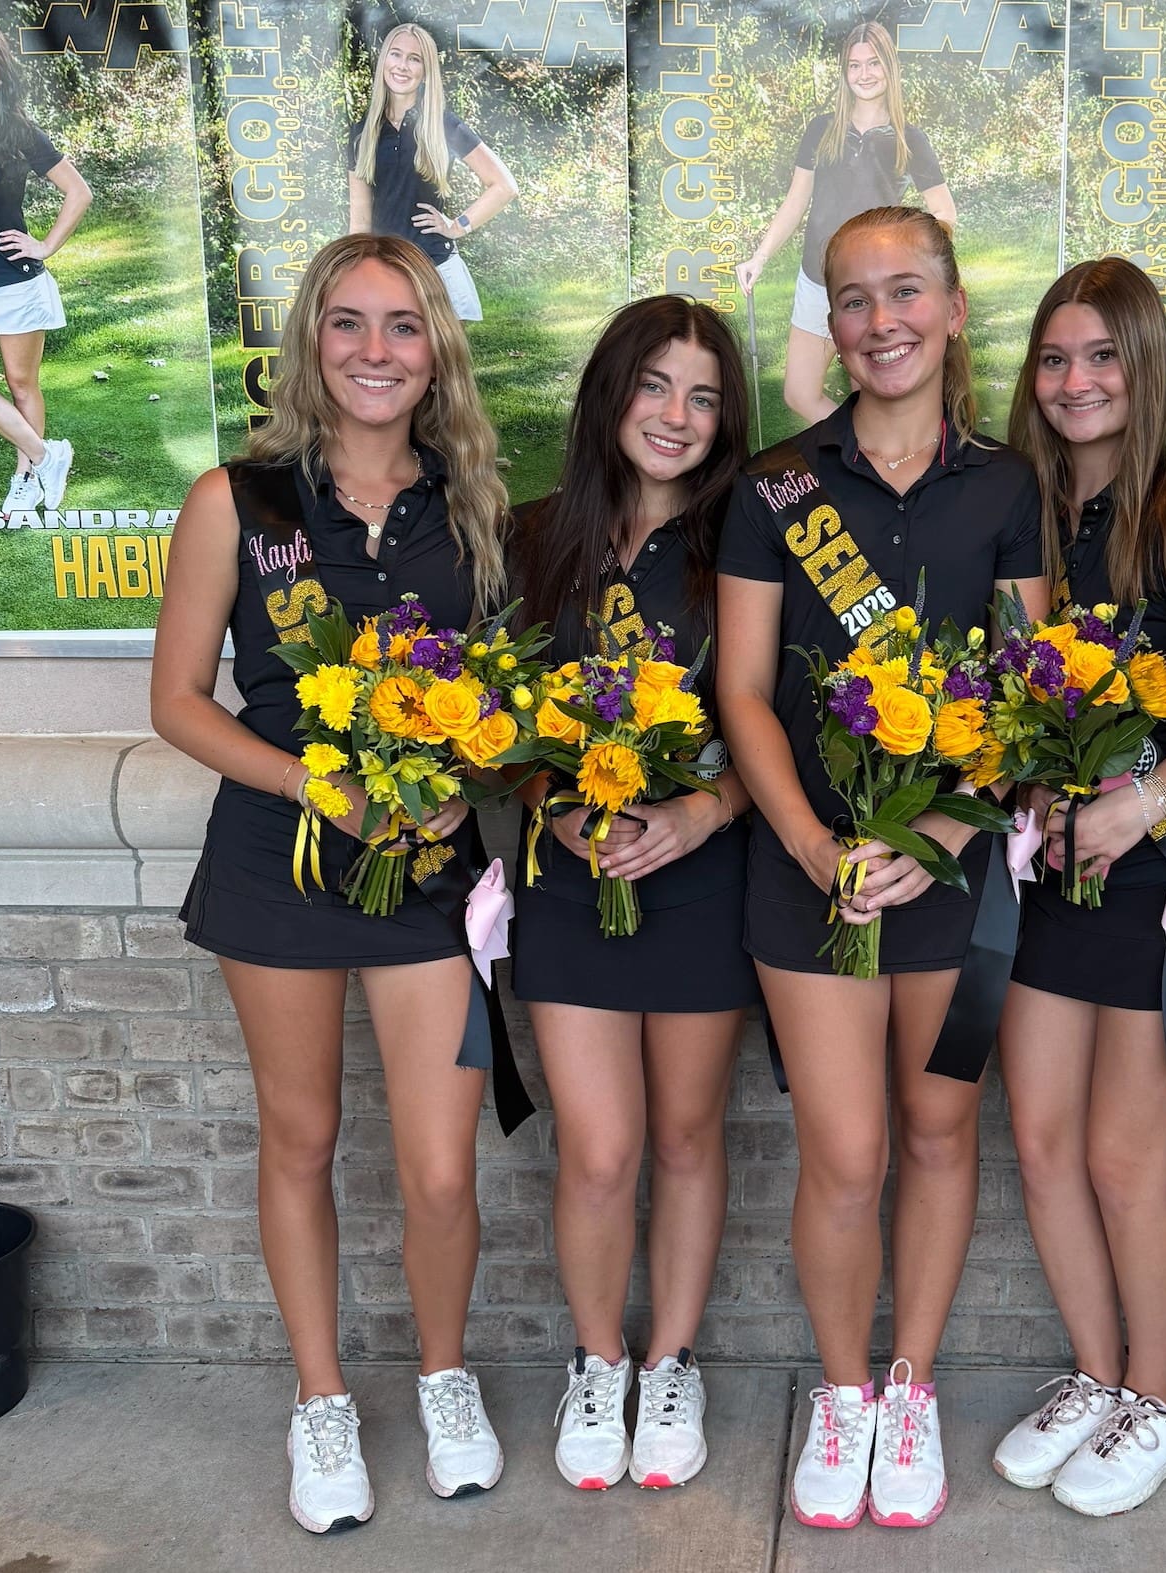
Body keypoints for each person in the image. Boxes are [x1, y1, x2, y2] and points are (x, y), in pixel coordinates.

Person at [150, 233, 513, 1534]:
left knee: (438, 1165)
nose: (375, 351)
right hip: (280, 860)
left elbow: (501, 708)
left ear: (435, 351)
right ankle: (321, 1403)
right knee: (301, 1139)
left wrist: (458, 779)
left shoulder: (472, 508)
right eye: (348, 324)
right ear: (310, 340)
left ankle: (445, 1376)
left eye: (403, 327)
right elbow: (178, 705)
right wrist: (317, 784)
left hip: (425, 870)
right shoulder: (237, 503)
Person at [718, 206, 1047, 1530]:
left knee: (939, 1131)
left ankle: (914, 1387)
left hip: (954, 878)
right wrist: (810, 844)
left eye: (905, 291)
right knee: (845, 1155)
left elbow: (1031, 686)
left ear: (955, 308)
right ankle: (845, 1393)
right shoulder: (775, 486)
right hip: (809, 874)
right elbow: (741, 690)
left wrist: (948, 836)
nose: (880, 321)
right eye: (851, 299)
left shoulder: (1009, 485)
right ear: (830, 326)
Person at [991, 257, 1166, 1518]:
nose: (1075, 381)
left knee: (1121, 1159)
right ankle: (1103, 1377)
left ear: (1148, 366)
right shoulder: (1025, 518)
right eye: (1054, 358)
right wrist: (1046, 794)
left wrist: (1139, 804)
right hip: (1056, 883)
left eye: (1102, 357)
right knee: (1042, 1145)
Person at [507, 295, 758, 1491]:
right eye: (656, 386)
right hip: (569, 887)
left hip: (703, 886)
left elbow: (782, 731)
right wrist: (552, 798)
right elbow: (494, 716)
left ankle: (670, 1364)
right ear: (611, 391)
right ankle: (596, 1360)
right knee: (600, 1151)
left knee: (687, 1134)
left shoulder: (741, 549)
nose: (676, 415)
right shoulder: (529, 534)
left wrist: (705, 811)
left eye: (703, 396)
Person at [734, 22, 955, 425]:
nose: (864, 74)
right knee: (799, 393)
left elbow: (944, 213)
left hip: (874, 292)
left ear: (889, 67)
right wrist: (759, 258)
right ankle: (857, 450)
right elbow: (795, 201)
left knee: (872, 395)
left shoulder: (909, 139)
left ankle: (873, 468)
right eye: (854, 66)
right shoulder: (822, 130)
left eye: (873, 63)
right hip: (817, 278)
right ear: (844, 72)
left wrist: (906, 259)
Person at [0, 21, 89, 511]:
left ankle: (28, 478)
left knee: (22, 384)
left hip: (11, 281)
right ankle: (48, 457)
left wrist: (44, 245)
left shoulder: (16, 130)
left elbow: (78, 191)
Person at [347, 21, 518, 323]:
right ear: (384, 60)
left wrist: (458, 225)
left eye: (414, 59)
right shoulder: (363, 132)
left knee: (444, 370)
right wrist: (354, 273)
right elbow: (360, 219)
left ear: (425, 71)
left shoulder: (444, 125)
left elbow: (503, 186)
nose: (402, 66)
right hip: (385, 271)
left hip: (436, 268)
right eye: (395, 54)